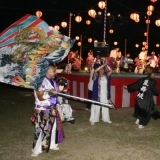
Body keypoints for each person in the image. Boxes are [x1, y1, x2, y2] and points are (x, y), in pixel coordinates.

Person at [31, 64, 65, 157]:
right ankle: (36, 150)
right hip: (42, 109)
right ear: (48, 71)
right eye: (54, 71)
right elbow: (40, 97)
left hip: (52, 108)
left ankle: (52, 144)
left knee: (53, 127)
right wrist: (49, 93)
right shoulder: (40, 81)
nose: (55, 73)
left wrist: (61, 85)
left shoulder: (52, 81)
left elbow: (56, 92)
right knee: (40, 130)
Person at [90, 61, 112, 125]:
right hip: (97, 94)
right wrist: (103, 65)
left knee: (105, 107)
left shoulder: (106, 76)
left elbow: (111, 71)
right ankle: (93, 119)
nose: (101, 71)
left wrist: (106, 65)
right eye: (100, 70)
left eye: (103, 70)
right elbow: (95, 71)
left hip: (105, 94)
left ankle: (106, 119)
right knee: (95, 106)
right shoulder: (96, 76)